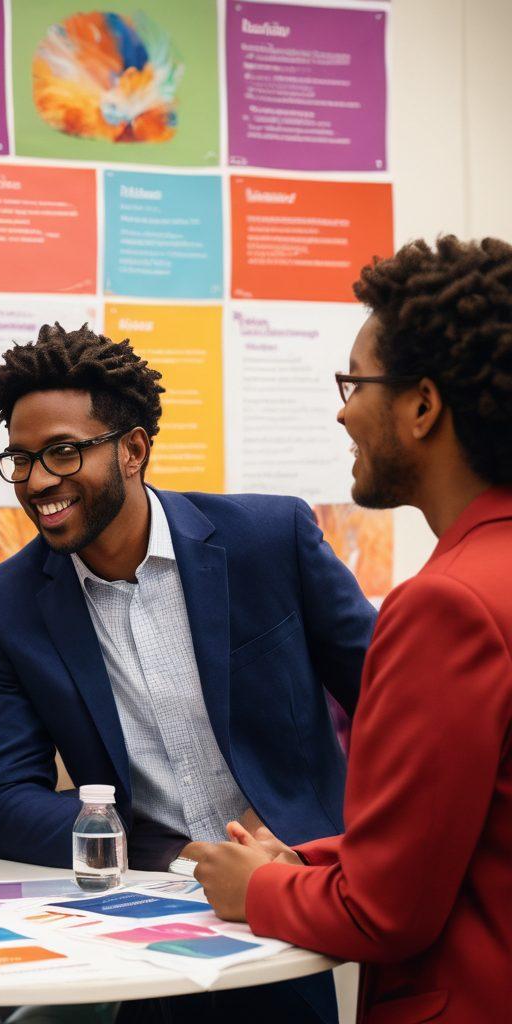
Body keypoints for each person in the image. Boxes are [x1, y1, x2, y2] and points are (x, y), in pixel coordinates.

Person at [0, 323, 377, 1024]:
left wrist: (315, 837)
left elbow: (393, 705)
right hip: (142, 920)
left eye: (63, 452)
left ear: (133, 449)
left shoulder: (270, 540)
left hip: (290, 892)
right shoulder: (7, 603)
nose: (37, 482)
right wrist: (157, 845)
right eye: (21, 459)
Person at [193, 236, 512, 1024]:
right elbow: (458, 829)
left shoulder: (448, 606)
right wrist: (301, 859)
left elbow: (386, 910)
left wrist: (257, 887)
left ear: (423, 405)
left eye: (355, 382)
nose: (341, 409)